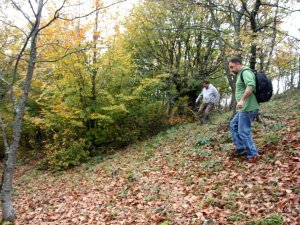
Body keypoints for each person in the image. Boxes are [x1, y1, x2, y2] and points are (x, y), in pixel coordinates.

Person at [228, 57, 259, 163]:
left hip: (248, 107)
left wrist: (241, 100)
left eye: (232, 67)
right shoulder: (240, 74)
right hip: (244, 108)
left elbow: (250, 86)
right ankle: (241, 148)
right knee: (233, 125)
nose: (231, 69)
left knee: (243, 131)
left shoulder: (245, 72)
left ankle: (253, 154)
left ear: (237, 64)